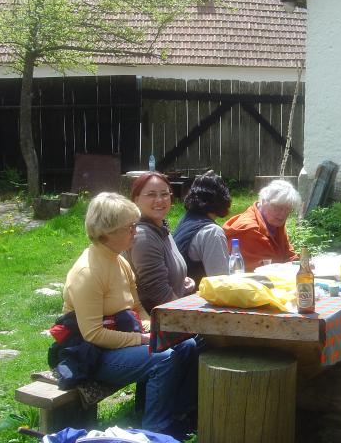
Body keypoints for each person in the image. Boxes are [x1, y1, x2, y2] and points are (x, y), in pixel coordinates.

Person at [61, 192, 197, 438]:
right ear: (107, 232)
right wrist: (142, 339)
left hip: (120, 340)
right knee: (164, 358)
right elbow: (93, 335)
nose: (136, 231)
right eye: (130, 227)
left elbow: (137, 307)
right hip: (92, 354)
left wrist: (148, 326)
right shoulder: (88, 272)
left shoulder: (120, 262)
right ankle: (154, 428)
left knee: (187, 344)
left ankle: (179, 414)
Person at [127, 172, 195, 313]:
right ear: (136, 200)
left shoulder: (161, 228)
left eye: (164, 194)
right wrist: (188, 318)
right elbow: (158, 293)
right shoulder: (143, 236)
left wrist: (180, 281)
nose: (159, 200)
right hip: (155, 321)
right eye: (151, 194)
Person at [223, 179, 301, 271]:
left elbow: (289, 255)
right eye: (278, 208)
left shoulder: (274, 223)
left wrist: (301, 264)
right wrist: (295, 265)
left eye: (288, 209)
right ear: (263, 201)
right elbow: (268, 267)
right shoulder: (249, 229)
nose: (283, 214)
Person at [173, 171, 232, 283]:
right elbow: (221, 282)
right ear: (223, 200)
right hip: (195, 293)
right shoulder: (212, 232)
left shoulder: (186, 220)